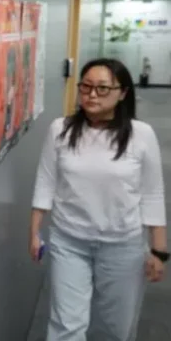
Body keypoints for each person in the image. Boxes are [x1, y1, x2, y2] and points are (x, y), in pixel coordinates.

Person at [29, 58, 168, 341]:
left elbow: (152, 192)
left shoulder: (141, 135)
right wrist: (34, 231)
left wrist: (159, 250)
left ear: (122, 93)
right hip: (69, 241)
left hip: (123, 246)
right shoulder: (60, 129)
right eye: (86, 87)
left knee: (114, 329)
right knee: (66, 326)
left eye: (102, 88)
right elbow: (46, 181)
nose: (92, 95)